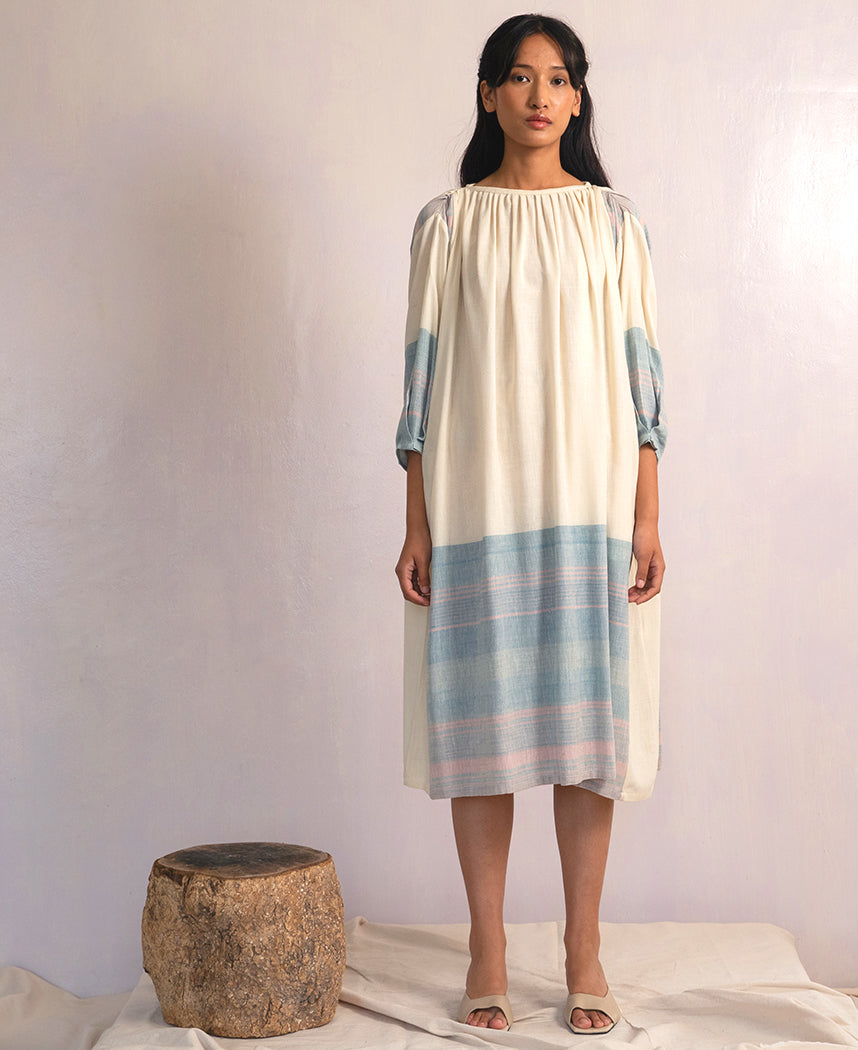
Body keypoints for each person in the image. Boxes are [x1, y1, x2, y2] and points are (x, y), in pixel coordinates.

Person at [394, 13, 666, 1037]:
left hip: (591, 495)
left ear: (578, 98)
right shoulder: (448, 224)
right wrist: (416, 522)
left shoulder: (615, 224)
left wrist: (646, 513)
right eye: (519, 77)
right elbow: (420, 385)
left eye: (558, 79)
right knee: (484, 726)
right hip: (479, 495)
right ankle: (489, 946)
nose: (539, 96)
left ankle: (584, 949)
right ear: (488, 94)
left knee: (588, 736)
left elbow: (643, 376)